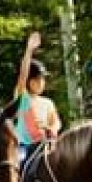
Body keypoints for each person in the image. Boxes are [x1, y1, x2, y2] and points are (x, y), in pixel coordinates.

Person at [13, 31, 61, 161]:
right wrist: (29, 51)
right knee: (19, 164)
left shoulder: (48, 102)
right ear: (29, 82)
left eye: (43, 80)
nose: (41, 83)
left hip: (46, 145)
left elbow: (56, 121)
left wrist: (52, 128)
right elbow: (22, 76)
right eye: (37, 80)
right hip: (25, 146)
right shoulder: (22, 97)